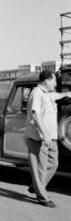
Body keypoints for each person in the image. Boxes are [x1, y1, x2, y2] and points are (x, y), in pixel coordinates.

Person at [24, 70, 71, 208]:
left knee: (53, 163)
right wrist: (44, 134)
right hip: (40, 138)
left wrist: (66, 94)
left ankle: (37, 185)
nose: (55, 83)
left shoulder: (47, 94)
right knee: (40, 167)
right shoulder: (37, 93)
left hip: (51, 137)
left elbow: (55, 96)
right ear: (46, 81)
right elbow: (35, 113)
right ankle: (42, 197)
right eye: (54, 81)